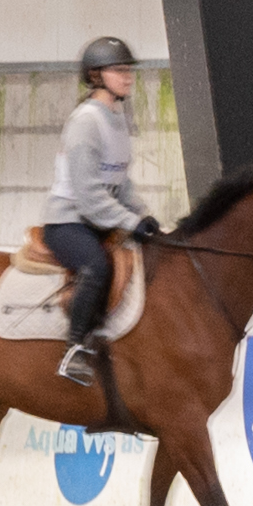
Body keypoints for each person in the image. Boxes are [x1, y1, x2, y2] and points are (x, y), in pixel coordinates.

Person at [43, 36, 163, 385]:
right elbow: (89, 196)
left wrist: (143, 216)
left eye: (129, 70)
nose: (128, 77)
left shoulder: (116, 117)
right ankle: (74, 349)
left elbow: (120, 183)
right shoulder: (86, 122)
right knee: (96, 266)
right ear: (96, 75)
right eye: (119, 70)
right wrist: (129, 221)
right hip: (68, 221)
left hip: (98, 219)